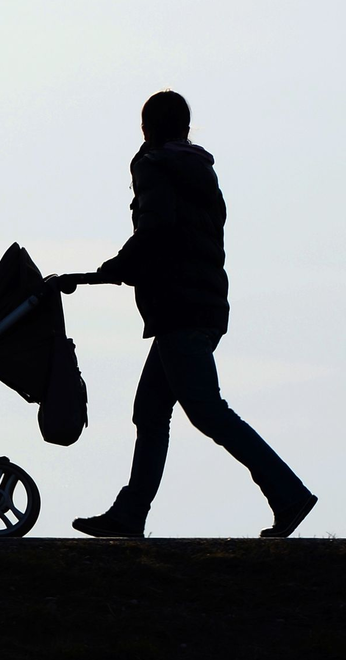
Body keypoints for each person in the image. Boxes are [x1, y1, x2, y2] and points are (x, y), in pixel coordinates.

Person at [72, 91, 316, 538]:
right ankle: (130, 513)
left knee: (205, 410)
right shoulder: (200, 170)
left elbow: (157, 228)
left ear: (146, 127)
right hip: (205, 303)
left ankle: (289, 493)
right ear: (186, 127)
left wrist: (110, 271)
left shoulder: (152, 165)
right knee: (150, 410)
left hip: (177, 306)